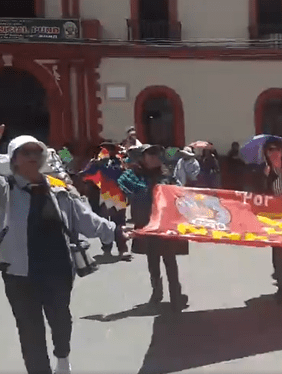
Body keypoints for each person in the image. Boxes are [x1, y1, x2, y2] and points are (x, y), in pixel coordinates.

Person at [0, 127, 122, 374]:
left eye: (37, 151)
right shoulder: (5, 190)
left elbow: (86, 220)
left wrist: (117, 231)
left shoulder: (59, 190)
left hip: (58, 269)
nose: (33, 156)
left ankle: (62, 358)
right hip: (19, 273)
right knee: (29, 328)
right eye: (25, 152)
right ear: (13, 159)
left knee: (61, 320)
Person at [118, 145, 189, 312]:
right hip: (146, 222)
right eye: (151, 154)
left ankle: (176, 295)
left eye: (157, 154)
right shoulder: (133, 175)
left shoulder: (165, 174)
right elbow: (125, 188)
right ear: (143, 157)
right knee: (153, 260)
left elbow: (178, 193)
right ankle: (156, 293)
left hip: (165, 224)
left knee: (170, 260)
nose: (155, 157)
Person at [250, 138, 282, 300]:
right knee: (277, 243)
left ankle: (280, 270)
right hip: (271, 215)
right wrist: (264, 178)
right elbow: (256, 194)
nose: (273, 153)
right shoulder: (262, 171)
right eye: (270, 150)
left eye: (276, 149)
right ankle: (281, 277)